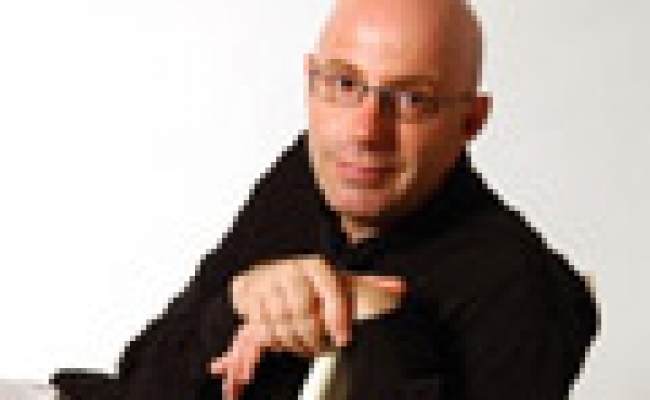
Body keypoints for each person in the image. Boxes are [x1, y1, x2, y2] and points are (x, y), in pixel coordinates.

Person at [44, 0, 599, 399]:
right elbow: (142, 378)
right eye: (345, 84)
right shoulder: (312, 173)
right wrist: (236, 303)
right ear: (311, 81)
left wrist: (373, 318)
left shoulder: (524, 291)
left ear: (471, 121)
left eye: (412, 98)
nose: (365, 131)